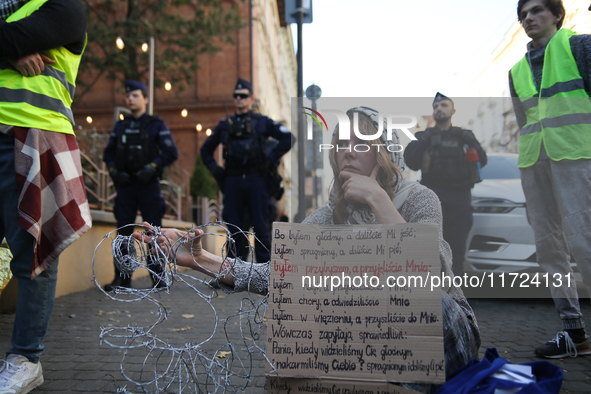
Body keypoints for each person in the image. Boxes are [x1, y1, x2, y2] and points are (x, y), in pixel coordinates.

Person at [135, 107, 481, 389]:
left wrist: (378, 199)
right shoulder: (328, 217)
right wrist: (200, 258)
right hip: (370, 341)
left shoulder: (419, 199)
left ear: (383, 151)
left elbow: (430, 274)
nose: (346, 150)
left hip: (442, 331)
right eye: (340, 143)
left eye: (361, 142)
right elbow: (278, 276)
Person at [0, 0, 90, 392]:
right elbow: (12, 38)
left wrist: (10, 45)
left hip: (33, 133)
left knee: (32, 254)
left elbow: (15, 34)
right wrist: (12, 50)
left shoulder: (65, 6)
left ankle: (26, 358)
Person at [509, 0, 591, 358]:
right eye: (523, 14)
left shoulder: (579, 46)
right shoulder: (515, 71)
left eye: (538, 10)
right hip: (534, 164)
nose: (529, 17)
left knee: (585, 243)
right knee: (549, 250)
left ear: (558, 14)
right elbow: (523, 119)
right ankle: (575, 332)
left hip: (576, 156)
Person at [200, 78, 292, 263]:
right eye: (236, 96)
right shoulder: (225, 124)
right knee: (235, 230)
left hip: (257, 180)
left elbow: (288, 138)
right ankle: (233, 276)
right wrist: (214, 169)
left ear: (251, 98)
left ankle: (266, 275)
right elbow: (205, 150)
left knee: (261, 229)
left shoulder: (262, 122)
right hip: (233, 181)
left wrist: (270, 160)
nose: (239, 99)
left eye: (243, 96)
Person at [103, 80, 179, 290]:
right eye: (128, 96)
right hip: (126, 186)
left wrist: (152, 167)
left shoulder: (156, 124)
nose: (130, 99)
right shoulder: (121, 126)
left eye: (135, 95)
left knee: (153, 234)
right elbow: (108, 155)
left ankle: (157, 278)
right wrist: (114, 171)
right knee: (124, 234)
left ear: (145, 99)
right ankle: (122, 279)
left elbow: (171, 152)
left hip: (148, 185)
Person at [403, 93, 487, 276]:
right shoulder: (425, 136)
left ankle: (455, 298)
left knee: (457, 250)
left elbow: (482, 160)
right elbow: (410, 161)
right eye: (436, 107)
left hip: (460, 198)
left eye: (443, 105)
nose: (439, 109)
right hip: (432, 197)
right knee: (430, 249)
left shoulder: (464, 136)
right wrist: (425, 138)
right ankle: (431, 294)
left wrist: (468, 139)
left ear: (453, 110)